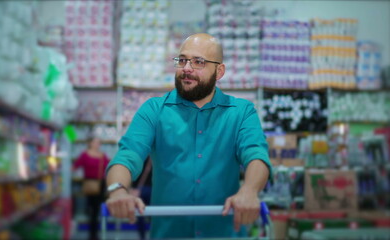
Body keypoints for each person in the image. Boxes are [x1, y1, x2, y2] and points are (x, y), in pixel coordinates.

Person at [105, 33, 272, 238]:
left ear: (219, 71)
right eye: (182, 60)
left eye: (198, 62)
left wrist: (249, 190)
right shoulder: (154, 110)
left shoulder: (241, 112)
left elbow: (256, 154)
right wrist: (118, 190)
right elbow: (128, 154)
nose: (186, 68)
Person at [73, 137, 110, 240]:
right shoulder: (85, 154)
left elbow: (109, 167)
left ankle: (96, 233)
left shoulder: (102, 156)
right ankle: (92, 234)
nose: (98, 144)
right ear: (90, 143)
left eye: (99, 142)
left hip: (100, 185)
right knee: (91, 210)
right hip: (89, 184)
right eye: (95, 142)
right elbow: (75, 166)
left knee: (97, 210)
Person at [130, 157, 152, 240]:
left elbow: (135, 174)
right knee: (153, 216)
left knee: (140, 214)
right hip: (152, 190)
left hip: (140, 190)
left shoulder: (140, 158)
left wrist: (133, 188)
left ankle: (142, 237)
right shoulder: (157, 158)